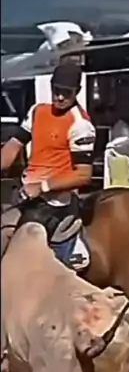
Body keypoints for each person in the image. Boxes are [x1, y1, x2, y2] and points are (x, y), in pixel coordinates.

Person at [0, 59, 96, 266]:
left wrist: (42, 186)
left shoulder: (81, 125)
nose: (60, 97)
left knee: (19, 254)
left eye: (67, 93)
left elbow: (83, 174)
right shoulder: (38, 112)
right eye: (56, 90)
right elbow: (14, 145)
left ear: (77, 92)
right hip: (26, 195)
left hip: (54, 204)